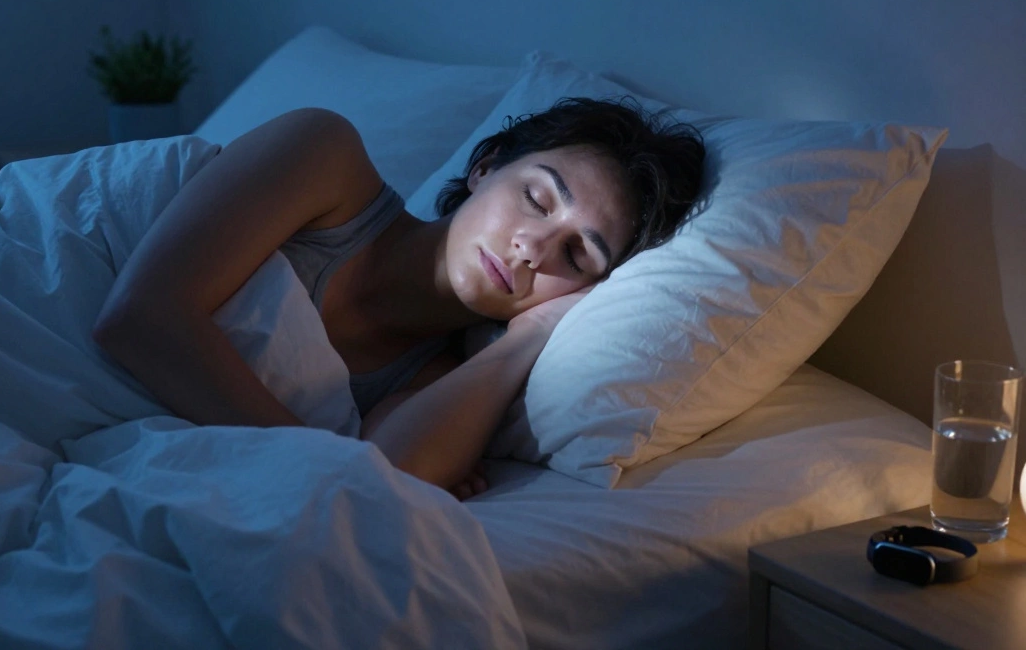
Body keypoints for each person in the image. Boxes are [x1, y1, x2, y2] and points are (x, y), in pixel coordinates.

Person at [92, 97, 705, 499]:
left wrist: (527, 340)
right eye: (538, 200)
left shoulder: (437, 380)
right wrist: (321, 462)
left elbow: (381, 486)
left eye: (576, 256)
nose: (532, 250)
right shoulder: (324, 157)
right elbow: (139, 317)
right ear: (486, 168)